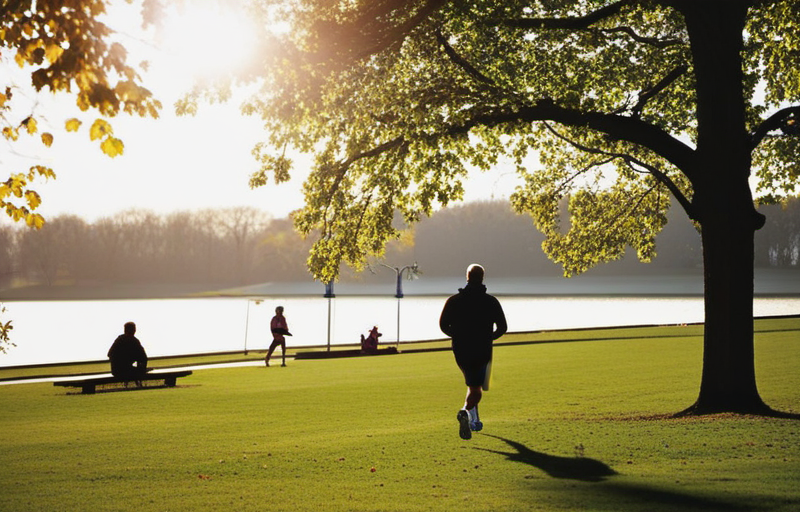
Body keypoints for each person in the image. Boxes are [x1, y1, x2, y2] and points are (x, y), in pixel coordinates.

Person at [439, 264, 507, 440]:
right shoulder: (490, 302)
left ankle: (473, 421)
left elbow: (443, 325)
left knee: (473, 384)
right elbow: (502, 327)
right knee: (476, 390)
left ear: (467, 276)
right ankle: (465, 412)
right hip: (482, 350)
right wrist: (488, 337)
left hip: (461, 350)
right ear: (482, 278)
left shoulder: (454, 301)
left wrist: (458, 336)